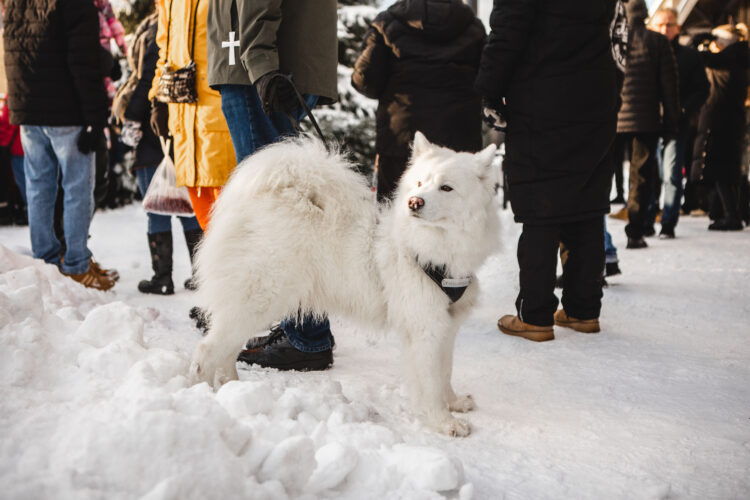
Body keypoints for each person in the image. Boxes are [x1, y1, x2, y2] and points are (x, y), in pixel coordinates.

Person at [205, 0, 338, 370]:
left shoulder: (257, 62)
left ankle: (307, 336)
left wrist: (261, 63)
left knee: (277, 209)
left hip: (253, 66)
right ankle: (304, 327)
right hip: (261, 58)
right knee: (286, 206)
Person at [476, 0, 619, 341]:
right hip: (596, 93)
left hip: (542, 96)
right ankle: (583, 311)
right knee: (586, 204)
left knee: (541, 205)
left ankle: (535, 315)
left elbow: (507, 33)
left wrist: (488, 91)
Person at [3, 0, 115, 290]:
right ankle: (76, 264)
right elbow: (83, 59)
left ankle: (46, 261)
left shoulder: (15, 3)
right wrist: (95, 116)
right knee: (78, 187)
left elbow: (14, 54)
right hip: (66, 110)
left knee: (39, 185)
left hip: (28, 109)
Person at [350, 0, 485, 201]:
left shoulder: (387, 23)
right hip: (460, 139)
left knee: (393, 214)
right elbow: (488, 78)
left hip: (401, 137)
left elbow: (364, 80)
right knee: (458, 216)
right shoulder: (473, 28)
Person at [113, 11, 203, 295]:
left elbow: (150, 77)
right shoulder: (171, 19)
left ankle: (162, 278)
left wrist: (132, 115)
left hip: (156, 128)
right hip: (177, 126)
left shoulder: (162, 25)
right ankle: (202, 275)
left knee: (158, 207)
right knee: (186, 208)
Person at [149, 0, 237, 231]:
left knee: (232, 221)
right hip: (184, 124)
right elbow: (164, 50)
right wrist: (158, 97)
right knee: (207, 225)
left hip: (221, 117)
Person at [614, 0, 679, 248]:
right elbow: (669, 86)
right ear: (645, 14)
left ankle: (597, 239)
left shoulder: (613, 40)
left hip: (614, 118)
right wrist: (672, 119)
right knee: (641, 177)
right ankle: (635, 231)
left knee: (600, 175)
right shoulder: (658, 42)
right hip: (645, 120)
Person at [646, 7, 709, 239]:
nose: (665, 29)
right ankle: (646, 220)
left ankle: (668, 222)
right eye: (660, 25)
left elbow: (703, 89)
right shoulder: (644, 52)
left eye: (669, 24)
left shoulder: (689, 56)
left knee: (672, 174)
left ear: (678, 27)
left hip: (676, 123)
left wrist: (683, 110)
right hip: (648, 121)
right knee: (647, 174)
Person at [690, 24, 749, 231]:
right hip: (733, 120)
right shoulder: (739, 58)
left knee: (721, 167)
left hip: (719, 119)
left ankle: (731, 215)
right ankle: (726, 212)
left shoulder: (726, 60)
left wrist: (702, 38)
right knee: (729, 168)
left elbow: (696, 54)